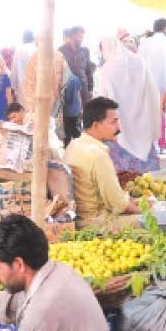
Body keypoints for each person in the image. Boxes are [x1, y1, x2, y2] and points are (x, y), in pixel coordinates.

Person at [63, 97, 143, 232]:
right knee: (154, 221)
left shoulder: (73, 145)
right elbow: (118, 203)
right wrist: (144, 213)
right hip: (97, 224)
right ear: (96, 125)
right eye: (113, 122)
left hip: (81, 220)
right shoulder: (98, 155)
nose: (118, 128)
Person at [95, 36, 161, 173]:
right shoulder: (139, 62)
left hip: (118, 127)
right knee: (142, 180)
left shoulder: (107, 69)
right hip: (142, 123)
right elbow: (152, 92)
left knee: (121, 176)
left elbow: (102, 99)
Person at [138, 18, 166, 150]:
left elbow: (139, 65)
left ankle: (153, 146)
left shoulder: (144, 44)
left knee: (151, 115)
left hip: (148, 84)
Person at [58, 26, 95, 106]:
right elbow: (57, 70)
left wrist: (90, 89)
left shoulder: (85, 50)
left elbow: (89, 70)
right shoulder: (61, 50)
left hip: (83, 87)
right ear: (71, 36)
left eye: (82, 37)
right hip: (67, 88)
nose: (81, 39)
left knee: (86, 113)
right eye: (79, 37)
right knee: (69, 115)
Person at [11, 30, 37, 101]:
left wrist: (13, 86)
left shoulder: (19, 50)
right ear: (32, 38)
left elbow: (15, 69)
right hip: (36, 84)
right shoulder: (36, 49)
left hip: (22, 85)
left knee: (23, 109)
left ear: (23, 39)